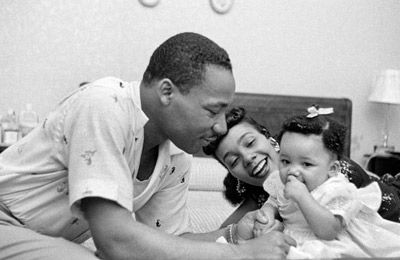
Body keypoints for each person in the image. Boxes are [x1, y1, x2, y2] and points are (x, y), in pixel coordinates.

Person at [0, 32, 295, 260]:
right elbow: (115, 241)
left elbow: (171, 242)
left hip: (49, 242)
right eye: (211, 110)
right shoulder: (104, 105)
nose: (219, 126)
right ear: (167, 91)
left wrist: (234, 234)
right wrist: (239, 255)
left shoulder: (177, 155)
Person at [203, 106, 400, 229]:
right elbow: (223, 233)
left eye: (250, 143)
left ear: (270, 139)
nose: (247, 158)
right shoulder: (263, 195)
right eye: (233, 161)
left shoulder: (331, 173)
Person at [252, 111, 400, 258]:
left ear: (332, 169)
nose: (293, 170)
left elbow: (329, 231)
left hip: (327, 243)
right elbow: (274, 200)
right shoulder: (280, 181)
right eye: (285, 161)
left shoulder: (336, 190)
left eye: (306, 164)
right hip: (294, 239)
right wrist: (268, 213)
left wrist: (303, 197)